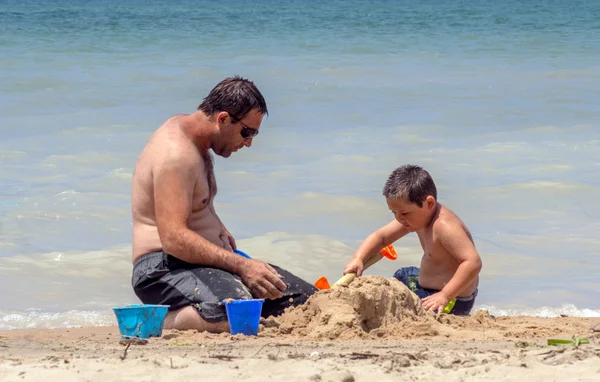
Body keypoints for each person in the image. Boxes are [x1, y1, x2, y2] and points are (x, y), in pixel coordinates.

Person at [130, 76, 317, 332]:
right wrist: (242, 266)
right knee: (237, 312)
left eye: (255, 134)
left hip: (206, 265)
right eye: (247, 132)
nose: (249, 142)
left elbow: (195, 204)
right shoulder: (176, 154)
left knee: (307, 302)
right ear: (223, 119)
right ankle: (158, 319)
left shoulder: (197, 140)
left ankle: (208, 307)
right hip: (162, 269)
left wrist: (218, 230)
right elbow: (173, 239)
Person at [343, 165, 482, 315]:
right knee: (402, 275)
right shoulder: (417, 218)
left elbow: (473, 262)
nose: (399, 219)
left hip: (451, 300)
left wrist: (444, 296)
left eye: (404, 213)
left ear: (429, 203)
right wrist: (358, 258)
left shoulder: (444, 226)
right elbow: (381, 237)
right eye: (394, 213)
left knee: (392, 303)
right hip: (428, 284)